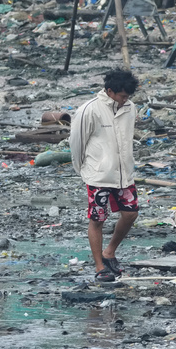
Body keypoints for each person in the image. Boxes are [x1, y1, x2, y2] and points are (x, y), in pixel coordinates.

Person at [69, 68, 140, 283]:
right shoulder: (89, 110)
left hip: (124, 173)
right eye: (122, 96)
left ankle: (110, 252)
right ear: (110, 91)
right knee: (97, 219)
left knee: (131, 213)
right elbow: (76, 143)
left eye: (128, 96)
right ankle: (100, 266)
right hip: (98, 175)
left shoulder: (130, 108)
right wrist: (85, 170)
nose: (125, 100)